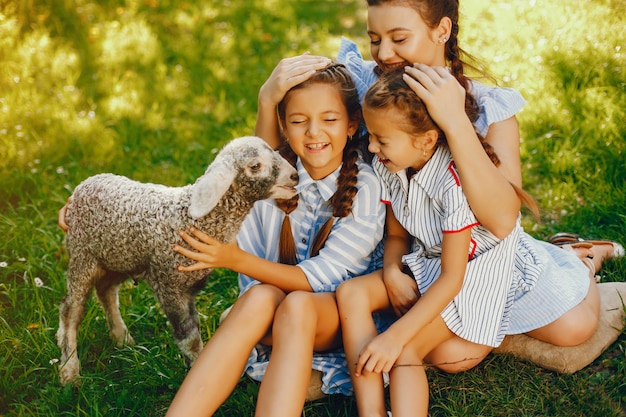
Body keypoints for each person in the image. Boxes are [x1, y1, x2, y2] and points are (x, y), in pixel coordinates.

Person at [335, 69, 620, 417]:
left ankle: (579, 259)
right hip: (431, 262)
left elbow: (454, 280)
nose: (372, 146)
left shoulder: (453, 184)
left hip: (475, 276)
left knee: (407, 348)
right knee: (351, 293)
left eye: (381, 138)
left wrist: (394, 337)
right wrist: (392, 271)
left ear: (425, 140)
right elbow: (397, 235)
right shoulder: (390, 164)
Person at [164, 62, 385, 416]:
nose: (314, 133)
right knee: (258, 297)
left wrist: (234, 259)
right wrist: (86, 207)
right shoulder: (271, 175)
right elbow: (194, 203)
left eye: (329, 119)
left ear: (352, 124)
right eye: (299, 121)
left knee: (296, 304)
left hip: (338, 322)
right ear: (284, 126)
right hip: (273, 311)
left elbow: (318, 279)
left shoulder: (366, 188)